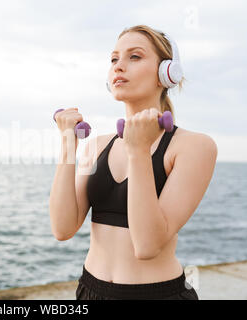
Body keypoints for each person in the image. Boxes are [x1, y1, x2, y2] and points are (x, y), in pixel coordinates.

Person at [49, 25, 218, 300]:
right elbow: (62, 228)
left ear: (167, 73)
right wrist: (68, 143)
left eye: (134, 57)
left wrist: (138, 150)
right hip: (90, 291)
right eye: (114, 59)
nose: (119, 66)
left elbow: (147, 245)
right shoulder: (97, 146)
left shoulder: (194, 146)